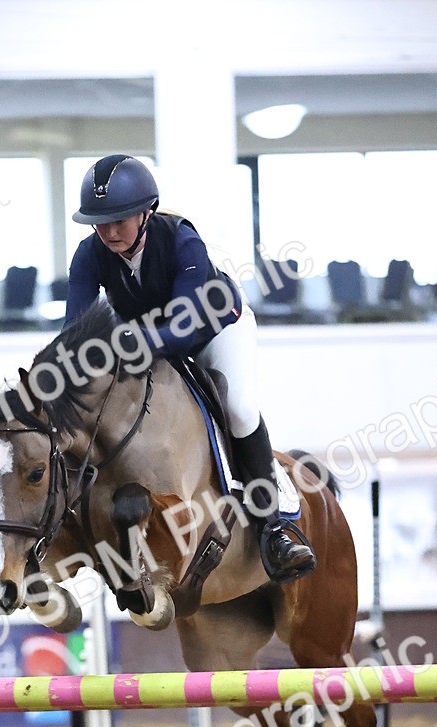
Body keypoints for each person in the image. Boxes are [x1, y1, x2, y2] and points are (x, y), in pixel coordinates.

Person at [64, 154, 315, 585]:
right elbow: (75, 331)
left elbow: (184, 329)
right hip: (148, 341)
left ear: (147, 212)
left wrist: (127, 343)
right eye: (99, 222)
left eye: (119, 220)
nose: (108, 231)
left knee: (238, 407)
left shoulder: (182, 241)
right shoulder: (90, 254)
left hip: (215, 331)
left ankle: (274, 527)